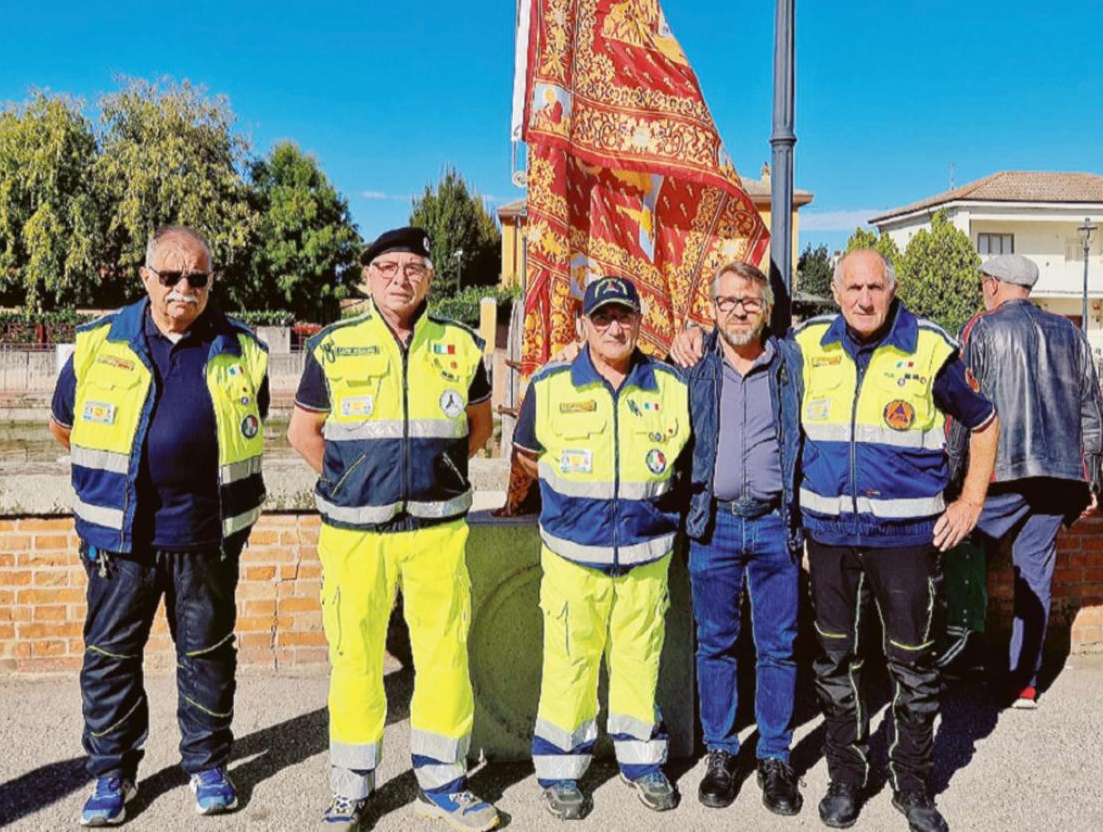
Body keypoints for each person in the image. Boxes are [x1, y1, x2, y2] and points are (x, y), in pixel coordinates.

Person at [49, 225, 269, 826]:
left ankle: (207, 765)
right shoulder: (98, 345)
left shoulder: (241, 349)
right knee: (110, 658)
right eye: (170, 276)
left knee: (208, 656)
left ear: (210, 282)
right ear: (145, 277)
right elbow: (65, 427)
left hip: (205, 536)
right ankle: (112, 774)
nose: (183, 289)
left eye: (197, 278)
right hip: (121, 541)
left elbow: (249, 428)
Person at [286, 226, 499, 832]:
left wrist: (439, 473)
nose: (400, 278)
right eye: (387, 267)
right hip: (356, 534)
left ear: (429, 278)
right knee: (355, 659)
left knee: (443, 657)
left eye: (413, 268)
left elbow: (479, 428)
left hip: (437, 530)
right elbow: (303, 434)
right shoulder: (332, 346)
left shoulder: (462, 345)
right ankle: (351, 788)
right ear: (367, 277)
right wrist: (353, 480)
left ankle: (443, 782)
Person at [799, 249, 998, 832]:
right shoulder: (808, 344)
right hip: (829, 536)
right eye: (853, 288)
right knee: (837, 662)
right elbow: (742, 351)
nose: (864, 299)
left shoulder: (929, 347)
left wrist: (970, 503)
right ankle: (846, 775)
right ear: (836, 293)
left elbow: (985, 422)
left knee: (913, 667)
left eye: (875, 288)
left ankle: (912, 781)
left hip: (907, 540)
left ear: (891, 290)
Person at [509, 276, 691, 821]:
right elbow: (527, 456)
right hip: (573, 558)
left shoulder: (671, 386)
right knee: (569, 665)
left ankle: (642, 761)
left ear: (639, 322)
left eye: (624, 316)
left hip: (645, 558)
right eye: (602, 317)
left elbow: (686, 461)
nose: (615, 328)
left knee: (640, 662)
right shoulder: (551, 384)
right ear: (583, 325)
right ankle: (561, 771)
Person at [943, 254, 1103, 710]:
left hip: (1000, 472)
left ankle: (962, 655)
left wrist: (953, 478)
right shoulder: (1071, 333)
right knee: (1035, 573)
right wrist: (1090, 478)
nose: (983, 289)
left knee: (953, 543)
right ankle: (1024, 684)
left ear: (994, 284)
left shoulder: (981, 328)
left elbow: (962, 410)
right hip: (1059, 475)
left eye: (984, 282)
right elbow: (1092, 411)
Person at [672, 263, 802, 815]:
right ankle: (722, 752)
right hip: (715, 522)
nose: (739, 310)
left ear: (766, 308)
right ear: (712, 309)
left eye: (749, 301)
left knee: (778, 645)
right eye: (727, 302)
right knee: (715, 643)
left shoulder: (791, 362)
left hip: (775, 522)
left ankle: (774, 755)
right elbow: (632, 373)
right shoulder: (693, 365)